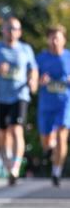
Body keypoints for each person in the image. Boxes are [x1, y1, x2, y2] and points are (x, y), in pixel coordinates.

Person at [0, 16, 38, 185]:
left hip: (19, 95)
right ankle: (5, 163)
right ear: (3, 30)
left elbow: (33, 68)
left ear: (20, 32)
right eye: (8, 28)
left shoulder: (26, 49)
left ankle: (14, 167)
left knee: (16, 129)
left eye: (15, 29)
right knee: (0, 135)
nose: (11, 32)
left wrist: (33, 81)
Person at [36, 24, 70, 186]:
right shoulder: (41, 58)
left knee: (62, 137)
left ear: (64, 40)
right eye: (52, 37)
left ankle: (56, 171)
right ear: (48, 40)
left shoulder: (69, 57)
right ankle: (50, 150)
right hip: (46, 105)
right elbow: (33, 82)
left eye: (58, 37)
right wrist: (40, 81)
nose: (55, 41)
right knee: (46, 142)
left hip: (65, 103)